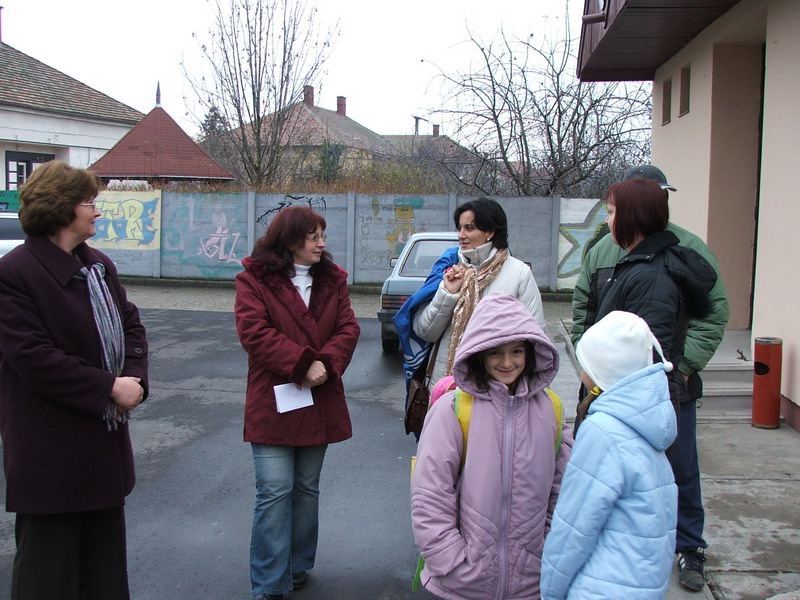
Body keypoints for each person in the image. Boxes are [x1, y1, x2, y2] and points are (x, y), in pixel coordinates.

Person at [571, 165, 728, 592]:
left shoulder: (681, 252)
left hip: (657, 389)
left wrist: (683, 366)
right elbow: (585, 310)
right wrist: (590, 363)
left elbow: (707, 318)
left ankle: (689, 546)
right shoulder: (604, 252)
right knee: (615, 476)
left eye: (611, 210)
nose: (608, 218)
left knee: (679, 470)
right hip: (608, 385)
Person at [0, 160, 149, 599]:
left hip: (102, 444)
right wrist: (109, 387)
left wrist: (134, 378)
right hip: (49, 450)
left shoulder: (98, 266)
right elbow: (33, 357)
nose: (97, 211)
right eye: (89, 202)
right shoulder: (14, 273)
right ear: (62, 208)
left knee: (102, 570)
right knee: (48, 572)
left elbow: (131, 326)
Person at [234, 206, 360, 600]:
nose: (322, 244)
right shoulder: (254, 279)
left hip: (317, 397)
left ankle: (298, 564)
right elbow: (254, 332)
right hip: (273, 399)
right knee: (274, 490)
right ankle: (269, 582)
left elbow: (348, 328)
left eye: (322, 236)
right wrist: (303, 364)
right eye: (313, 237)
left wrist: (326, 364)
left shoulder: (332, 280)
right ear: (289, 241)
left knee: (306, 488)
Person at [410, 292, 572, 599]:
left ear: (530, 352)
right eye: (496, 352)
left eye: (517, 351)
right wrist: (449, 559)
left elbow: (563, 491)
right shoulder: (452, 409)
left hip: (532, 580)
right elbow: (430, 492)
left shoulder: (552, 410)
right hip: (463, 580)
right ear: (479, 354)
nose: (507, 362)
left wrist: (548, 549)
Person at [541, 311, 678, 600]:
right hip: (641, 584)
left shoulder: (603, 432)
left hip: (599, 587)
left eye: (585, 362)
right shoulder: (649, 422)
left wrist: (550, 592)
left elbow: (574, 528)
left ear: (601, 369)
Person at [407, 197, 544, 391]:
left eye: (469, 228)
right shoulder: (450, 269)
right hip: (447, 385)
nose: (461, 235)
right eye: (460, 228)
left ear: (490, 232)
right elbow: (425, 332)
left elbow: (535, 337)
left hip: (497, 387)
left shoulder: (519, 273)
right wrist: (448, 294)